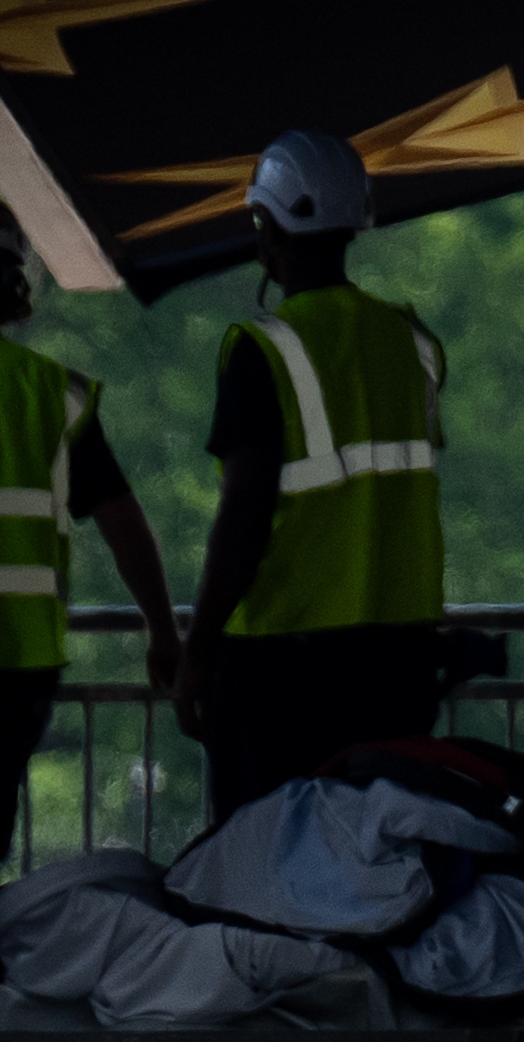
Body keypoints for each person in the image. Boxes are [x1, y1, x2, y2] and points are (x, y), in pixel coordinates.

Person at [0, 186, 177, 1026]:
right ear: (12, 288)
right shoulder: (56, 394)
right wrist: (165, 633)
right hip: (17, 668)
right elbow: (125, 524)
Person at [185, 129, 452, 826]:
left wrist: (199, 646)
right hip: (400, 661)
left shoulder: (260, 350)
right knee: (379, 864)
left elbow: (244, 516)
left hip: (285, 667)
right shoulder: (412, 343)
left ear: (266, 228)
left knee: (268, 868)